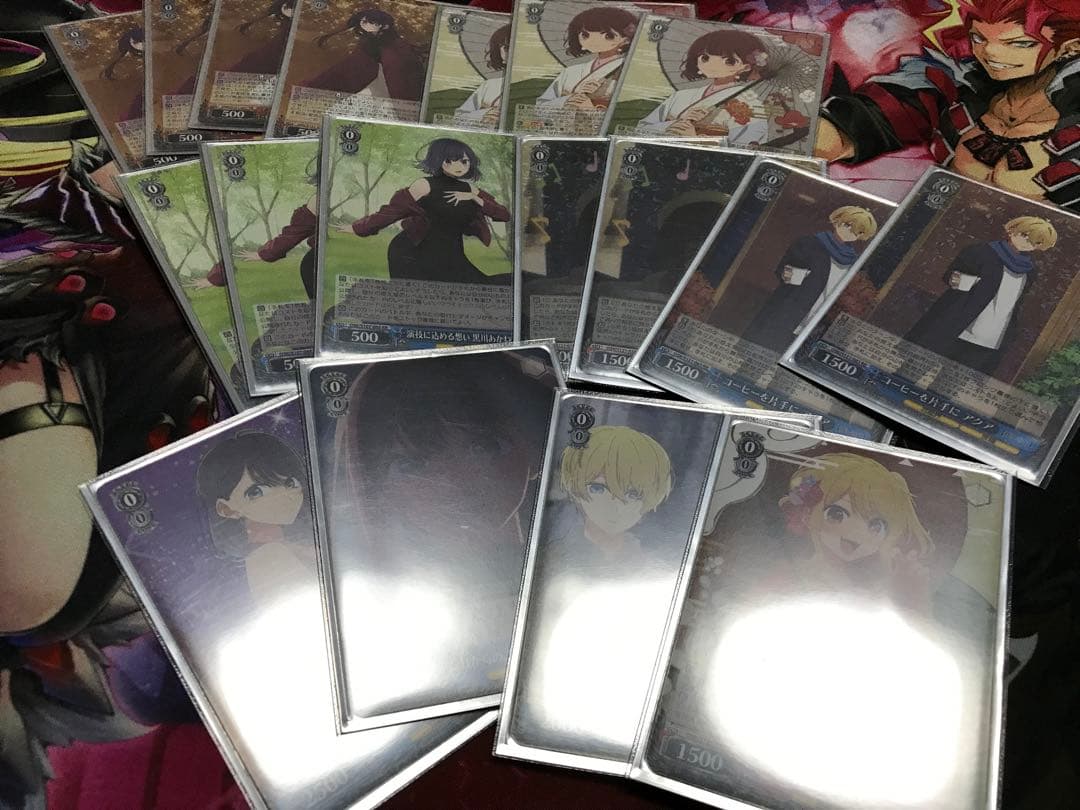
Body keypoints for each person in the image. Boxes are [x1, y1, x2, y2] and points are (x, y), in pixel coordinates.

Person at [815, 0, 1080, 209]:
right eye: (980, 38)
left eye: (1021, 43)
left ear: (1071, 47)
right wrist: (830, 133)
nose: (991, 52)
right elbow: (886, 110)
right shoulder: (962, 81)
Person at [338, 138, 510, 284]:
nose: (458, 166)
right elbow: (391, 212)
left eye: (464, 161)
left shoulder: (471, 190)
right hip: (413, 252)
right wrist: (358, 228)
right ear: (438, 160)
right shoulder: (424, 185)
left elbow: (504, 215)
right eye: (449, 160)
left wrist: (474, 198)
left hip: (451, 254)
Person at [905, 215, 1057, 376]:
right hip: (955, 323)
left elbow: (1016, 303)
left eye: (1035, 242)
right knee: (912, 371)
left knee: (950, 383)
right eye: (1025, 235)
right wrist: (973, 283)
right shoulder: (981, 251)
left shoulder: (1030, 271)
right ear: (1012, 230)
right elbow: (951, 277)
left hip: (989, 338)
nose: (1027, 243)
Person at [780, 452, 934, 608]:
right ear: (806, 515)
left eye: (876, 526)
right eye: (836, 514)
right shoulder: (792, 575)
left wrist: (909, 597)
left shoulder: (874, 587)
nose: (857, 533)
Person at [741, 205, 879, 352]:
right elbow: (784, 270)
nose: (850, 232)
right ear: (837, 220)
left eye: (858, 231)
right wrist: (803, 277)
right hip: (790, 307)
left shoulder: (853, 260)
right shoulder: (810, 243)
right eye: (847, 225)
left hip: (819, 316)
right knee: (764, 347)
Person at [196, 431, 314, 600]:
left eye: (290, 483)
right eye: (257, 492)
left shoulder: (286, 545)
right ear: (226, 509)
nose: (283, 494)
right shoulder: (268, 558)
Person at [636, 29, 769, 145]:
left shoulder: (749, 104)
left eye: (729, 61)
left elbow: (746, 146)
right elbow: (642, 128)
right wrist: (674, 124)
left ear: (746, 67)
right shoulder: (681, 96)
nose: (713, 65)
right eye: (705, 58)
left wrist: (695, 139)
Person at [560, 425, 672, 557]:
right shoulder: (562, 551)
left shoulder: (646, 558)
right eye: (597, 489)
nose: (614, 506)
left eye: (633, 495)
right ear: (576, 488)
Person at [535, 6, 638, 112]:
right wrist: (566, 100)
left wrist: (589, 107)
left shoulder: (626, 72)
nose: (593, 41)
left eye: (608, 36)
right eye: (585, 35)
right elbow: (540, 106)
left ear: (626, 41)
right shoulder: (571, 72)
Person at [312, 9, 424, 103]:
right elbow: (343, 72)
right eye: (364, 21)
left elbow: (403, 86)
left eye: (370, 22)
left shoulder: (396, 50)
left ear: (385, 26)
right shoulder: (368, 46)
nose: (365, 24)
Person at [454, 23, 510, 126]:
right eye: (507, 48)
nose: (513, 53)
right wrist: (483, 114)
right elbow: (459, 117)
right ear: (499, 52)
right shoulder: (489, 86)